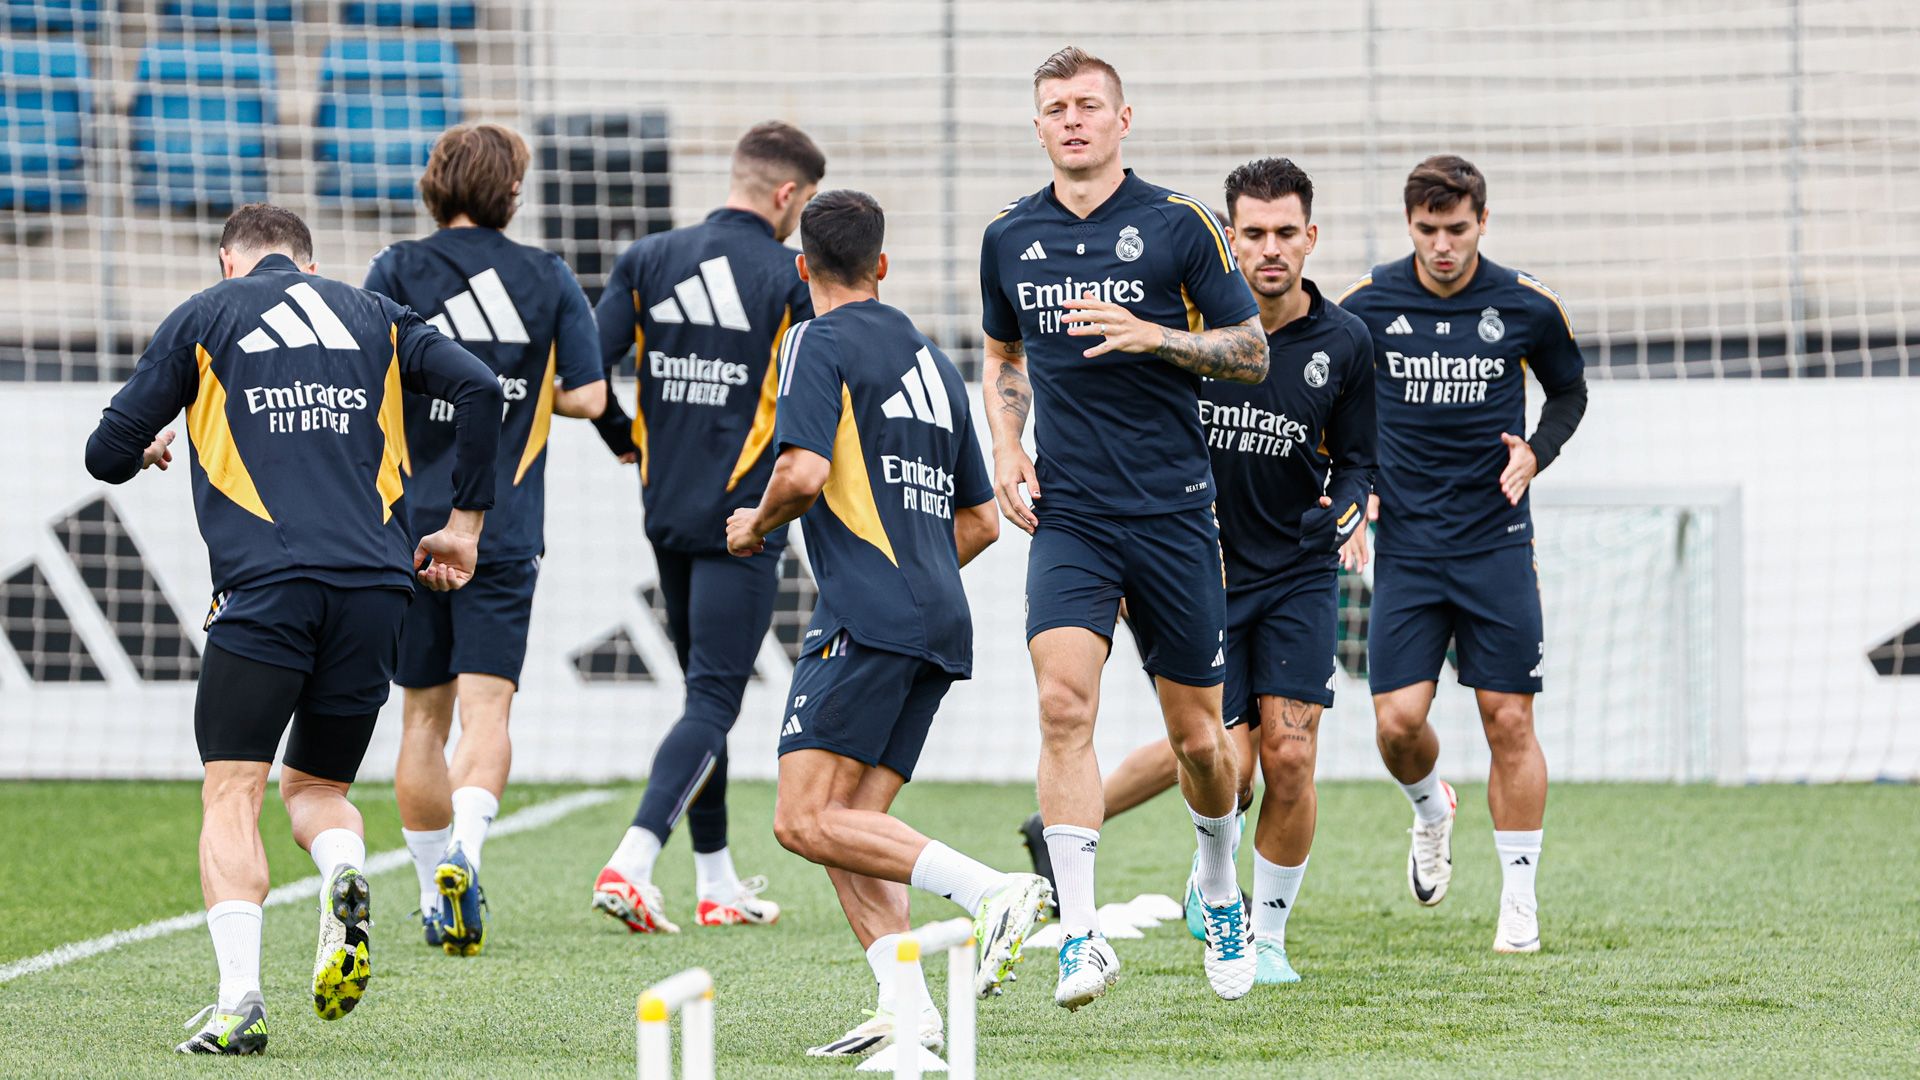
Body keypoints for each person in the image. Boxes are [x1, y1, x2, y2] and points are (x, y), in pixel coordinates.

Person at [84, 204, 501, 1053]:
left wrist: (145, 450)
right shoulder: (377, 316)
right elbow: (482, 389)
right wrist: (464, 526)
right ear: (310, 266)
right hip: (377, 589)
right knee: (317, 789)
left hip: (266, 587)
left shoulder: (207, 315)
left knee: (232, 790)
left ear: (228, 261)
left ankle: (239, 1000)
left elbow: (104, 450)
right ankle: (344, 872)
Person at [1018, 160, 1374, 986]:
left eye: (1286, 232)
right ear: (1228, 240)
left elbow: (1359, 462)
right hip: (1194, 561)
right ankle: (1198, 862)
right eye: (1252, 233)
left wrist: (1351, 511)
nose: (1270, 248)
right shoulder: (1179, 325)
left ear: (1311, 238)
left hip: (1295, 570)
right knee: (1221, 759)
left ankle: (1267, 934)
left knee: (1290, 754)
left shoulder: (1345, 343)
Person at [725, 189, 1050, 1058]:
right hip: (937, 620)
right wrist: (917, 577)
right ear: (882, 265)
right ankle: (908, 1009)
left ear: (803, 268)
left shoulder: (815, 339)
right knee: (851, 833)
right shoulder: (934, 361)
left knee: (801, 821)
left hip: (865, 617)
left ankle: (990, 891)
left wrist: (754, 527)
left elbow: (800, 473)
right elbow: (981, 522)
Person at [979, 46, 1270, 1008]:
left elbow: (1252, 351)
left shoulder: (1179, 223)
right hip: (1072, 514)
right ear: (1038, 126)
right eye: (1055, 107)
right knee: (1064, 707)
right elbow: (1002, 352)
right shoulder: (1008, 235)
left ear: (1122, 118)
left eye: (1088, 105)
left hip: (1175, 513)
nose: (1073, 119)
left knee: (1201, 742)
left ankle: (1219, 887)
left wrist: (1159, 338)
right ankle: (1081, 935)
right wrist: (1007, 444)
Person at [364, 122, 608, 956]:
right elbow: (590, 396)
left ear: (435, 185)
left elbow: (366, 377)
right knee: (487, 709)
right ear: (511, 193)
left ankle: (431, 891)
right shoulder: (547, 275)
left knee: (420, 720)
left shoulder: (395, 268)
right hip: (499, 527)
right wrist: (523, 390)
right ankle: (465, 852)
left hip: (409, 526)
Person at [1338, 155, 1588, 954]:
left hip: (1496, 545)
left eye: (1456, 229)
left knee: (1508, 718)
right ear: (1408, 226)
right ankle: (1430, 811)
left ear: (1483, 221)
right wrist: (1358, 485)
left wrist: (1537, 451)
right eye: (1427, 230)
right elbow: (1330, 397)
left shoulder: (1526, 304)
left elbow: (1570, 390)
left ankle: (1519, 900)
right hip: (1409, 551)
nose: (1442, 246)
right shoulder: (1367, 306)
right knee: (1396, 723)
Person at [588, 121, 826, 934]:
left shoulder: (648, 258)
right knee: (716, 699)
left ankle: (717, 880)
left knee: (703, 697)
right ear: (788, 194)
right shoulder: (791, 275)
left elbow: (583, 375)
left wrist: (624, 438)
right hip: (745, 521)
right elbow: (820, 397)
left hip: (664, 509)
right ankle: (631, 860)